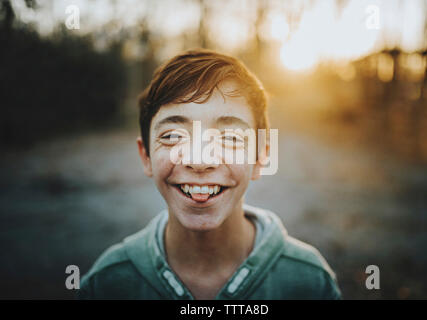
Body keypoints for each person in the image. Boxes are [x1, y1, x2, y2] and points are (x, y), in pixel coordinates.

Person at [78, 49, 342, 300]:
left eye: (230, 137)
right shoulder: (107, 283)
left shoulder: (309, 282)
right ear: (146, 155)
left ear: (261, 157)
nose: (200, 160)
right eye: (172, 136)